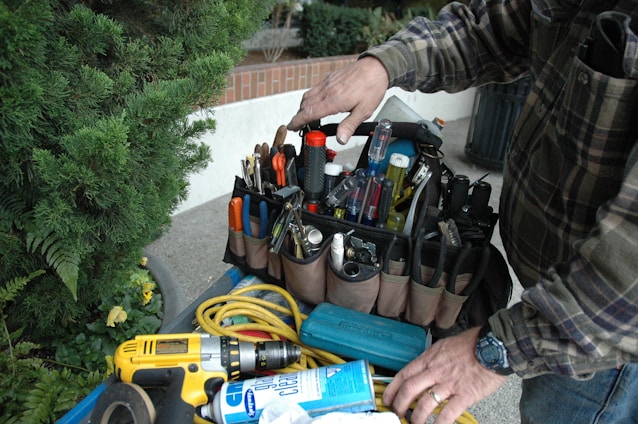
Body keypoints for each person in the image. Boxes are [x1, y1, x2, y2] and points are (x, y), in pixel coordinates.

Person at [288, 1, 638, 423]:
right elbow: (487, 28)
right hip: (557, 295)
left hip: (598, 330)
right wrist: (382, 65)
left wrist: (500, 348)